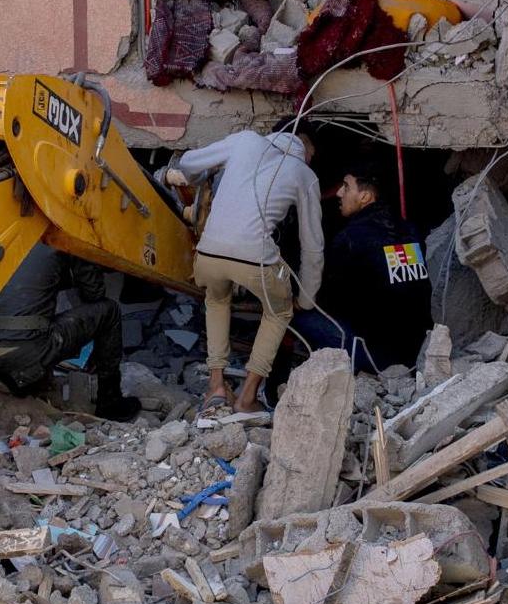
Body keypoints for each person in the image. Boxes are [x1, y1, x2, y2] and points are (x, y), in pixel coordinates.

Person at [164, 124, 324, 413]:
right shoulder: (304, 174)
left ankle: (215, 386)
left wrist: (198, 178)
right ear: (305, 144)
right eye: (311, 154)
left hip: (209, 252)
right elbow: (312, 245)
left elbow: (187, 162)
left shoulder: (244, 141)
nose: (310, 159)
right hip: (255, 258)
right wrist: (306, 298)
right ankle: (247, 397)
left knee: (216, 301)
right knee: (279, 312)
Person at [0, 246, 143, 422]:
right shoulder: (61, 235)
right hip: (25, 351)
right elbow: (94, 293)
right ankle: (109, 401)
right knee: (109, 311)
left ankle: (5, 380)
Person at [292, 163, 428, 372]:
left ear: (365, 197)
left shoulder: (351, 238)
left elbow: (325, 300)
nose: (339, 193)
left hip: (372, 356)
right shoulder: (410, 230)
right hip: (415, 352)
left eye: (346, 187)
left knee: (293, 313)